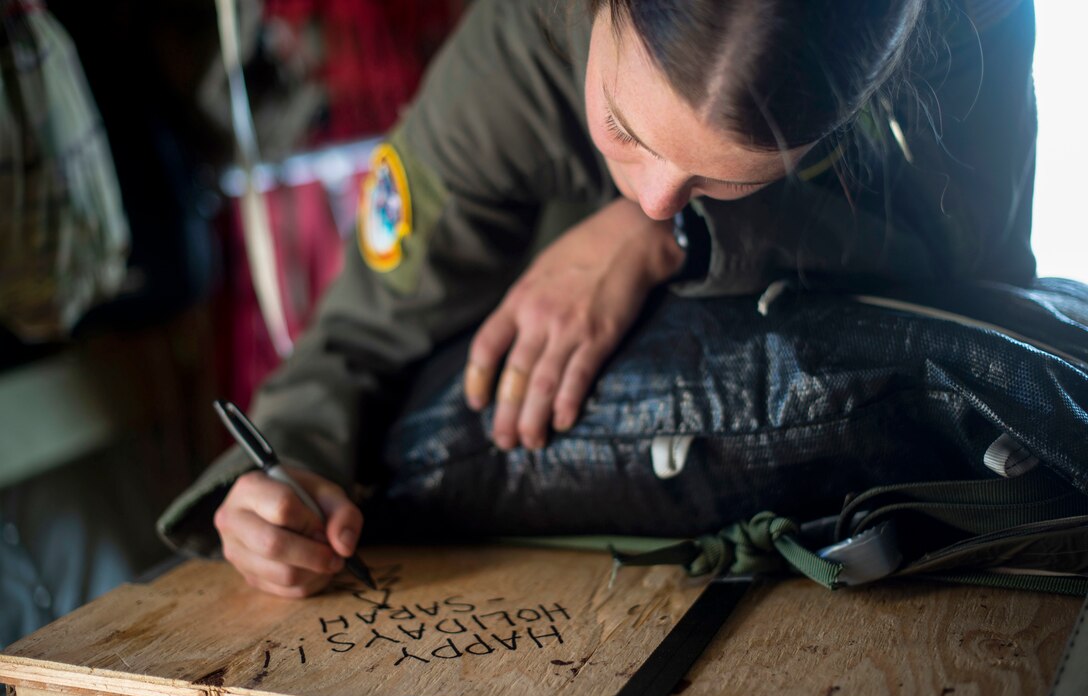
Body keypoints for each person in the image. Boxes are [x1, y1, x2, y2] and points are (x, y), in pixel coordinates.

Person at [158, 0, 1037, 597]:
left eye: (720, 181)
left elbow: (981, 297)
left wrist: (672, 239)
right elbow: (357, 335)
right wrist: (279, 477)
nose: (655, 191)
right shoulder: (518, 56)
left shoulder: (972, 28)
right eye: (624, 129)